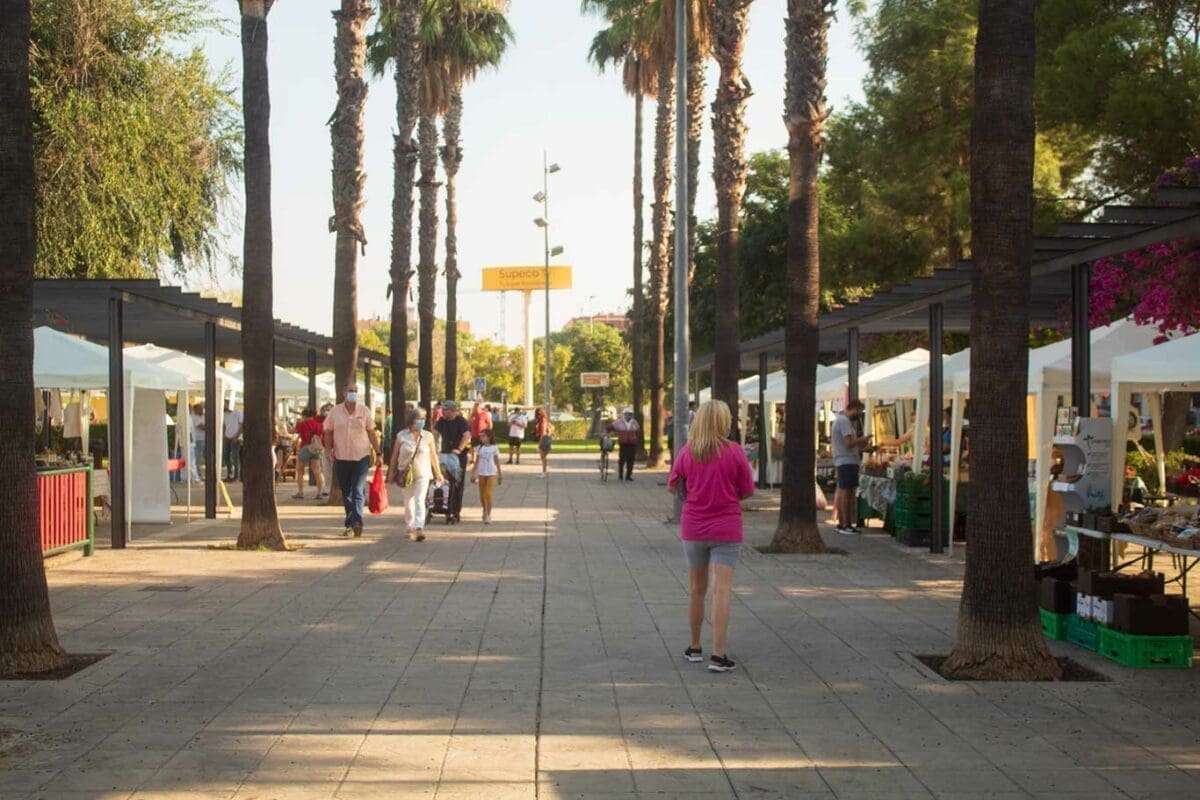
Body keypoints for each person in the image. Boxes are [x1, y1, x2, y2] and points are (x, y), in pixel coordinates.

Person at [667, 399, 754, 674]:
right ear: (723, 422)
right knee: (722, 590)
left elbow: (673, 486)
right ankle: (718, 654)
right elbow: (747, 489)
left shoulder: (687, 451)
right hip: (727, 527)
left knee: (696, 589)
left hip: (693, 526)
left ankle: (694, 647)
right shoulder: (735, 452)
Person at [324, 384, 380, 537]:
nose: (353, 394)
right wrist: (328, 449)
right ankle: (350, 522)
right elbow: (328, 431)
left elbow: (371, 432)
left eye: (355, 391)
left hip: (361, 456)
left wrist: (378, 452)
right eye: (350, 391)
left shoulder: (364, 410)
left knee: (357, 489)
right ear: (343, 392)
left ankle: (357, 522)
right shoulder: (335, 412)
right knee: (346, 491)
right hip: (341, 457)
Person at [390, 406, 444, 542]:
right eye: (418, 418)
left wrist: (438, 473)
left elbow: (433, 455)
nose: (421, 421)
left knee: (420, 499)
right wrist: (391, 472)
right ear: (411, 420)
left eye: (423, 419)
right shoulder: (402, 435)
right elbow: (394, 455)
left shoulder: (428, 436)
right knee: (408, 501)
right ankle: (410, 526)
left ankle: (419, 527)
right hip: (406, 472)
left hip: (423, 472)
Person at [831, 400, 871, 535]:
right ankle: (845, 524)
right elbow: (849, 443)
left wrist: (867, 448)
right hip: (846, 461)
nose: (859, 415)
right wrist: (862, 439)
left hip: (846, 460)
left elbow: (851, 445)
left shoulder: (843, 421)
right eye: (859, 412)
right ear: (854, 408)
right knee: (847, 493)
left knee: (845, 492)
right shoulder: (844, 421)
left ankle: (844, 523)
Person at [434, 400, 471, 522]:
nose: (443, 412)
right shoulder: (442, 421)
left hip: (458, 456)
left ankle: (455, 510)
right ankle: (442, 506)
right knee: (443, 481)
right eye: (442, 410)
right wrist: (434, 448)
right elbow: (435, 434)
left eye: (445, 410)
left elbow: (466, 435)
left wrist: (459, 449)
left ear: (452, 410)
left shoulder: (461, 421)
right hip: (445, 454)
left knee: (457, 484)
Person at [291, 407, 326, 500]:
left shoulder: (302, 424)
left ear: (304, 416)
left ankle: (301, 492)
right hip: (316, 448)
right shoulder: (319, 425)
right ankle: (319, 493)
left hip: (305, 447)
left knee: (300, 470)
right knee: (317, 471)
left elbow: (293, 431)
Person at [471, 429, 502, 524]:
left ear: (489, 437)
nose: (481, 438)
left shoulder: (494, 448)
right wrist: (473, 472)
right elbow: (477, 461)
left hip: (491, 473)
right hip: (482, 473)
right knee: (482, 495)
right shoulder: (480, 448)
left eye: (483, 436)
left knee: (488, 494)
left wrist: (500, 474)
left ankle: (488, 514)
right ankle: (484, 510)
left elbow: (497, 461)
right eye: (480, 436)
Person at [609, 407, 640, 481]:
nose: (627, 416)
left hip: (632, 443)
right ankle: (620, 474)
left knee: (631, 460)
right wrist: (607, 431)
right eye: (626, 414)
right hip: (623, 443)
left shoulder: (634, 422)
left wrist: (636, 439)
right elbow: (611, 426)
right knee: (622, 460)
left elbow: (637, 431)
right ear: (623, 415)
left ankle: (628, 476)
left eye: (629, 414)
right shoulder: (619, 422)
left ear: (631, 415)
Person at [222, 401, 243, 481]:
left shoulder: (238, 412)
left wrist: (236, 436)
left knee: (235, 457)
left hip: (235, 437)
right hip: (227, 436)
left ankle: (237, 475)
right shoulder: (225, 414)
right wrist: (224, 435)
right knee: (226, 456)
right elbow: (224, 425)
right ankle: (229, 473)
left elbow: (241, 425)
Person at [534, 406, 554, 477]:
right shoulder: (543, 419)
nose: (537, 414)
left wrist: (539, 444)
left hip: (544, 439)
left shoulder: (542, 420)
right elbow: (552, 427)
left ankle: (544, 472)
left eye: (538, 412)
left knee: (543, 457)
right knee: (543, 457)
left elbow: (542, 433)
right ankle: (544, 472)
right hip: (546, 438)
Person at [189, 403, 205, 482]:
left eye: (202, 408)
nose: (202, 410)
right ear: (195, 410)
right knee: (197, 458)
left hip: (205, 439)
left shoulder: (204, 416)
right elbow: (202, 427)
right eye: (200, 408)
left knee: (207, 458)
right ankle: (198, 474)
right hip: (198, 440)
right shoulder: (194, 417)